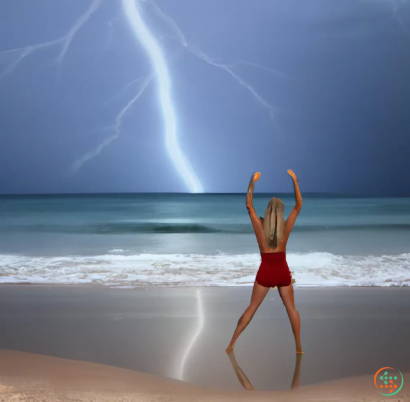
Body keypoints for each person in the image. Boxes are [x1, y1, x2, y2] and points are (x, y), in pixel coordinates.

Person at [225, 170, 303, 355]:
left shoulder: (259, 227)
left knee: (252, 308)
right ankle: (299, 347)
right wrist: (295, 181)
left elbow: (248, 205)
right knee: (291, 309)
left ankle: (231, 345)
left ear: (267, 211)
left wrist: (252, 182)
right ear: (281, 212)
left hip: (265, 272)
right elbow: (299, 205)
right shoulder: (286, 228)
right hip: (283, 272)